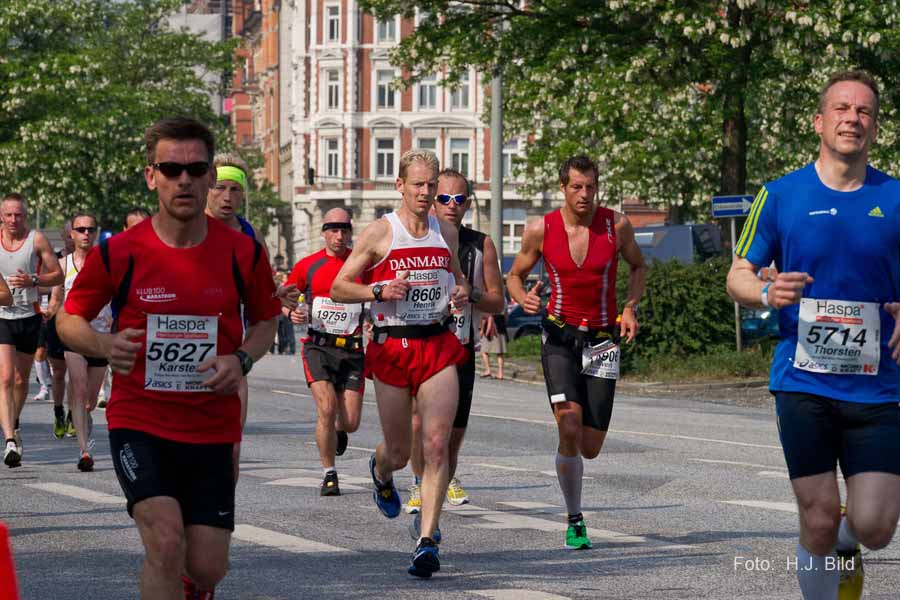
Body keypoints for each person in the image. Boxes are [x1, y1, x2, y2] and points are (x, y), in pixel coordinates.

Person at [57, 117, 281, 599]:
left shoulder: (242, 253)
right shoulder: (120, 252)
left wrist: (241, 360)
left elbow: (266, 322)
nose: (184, 180)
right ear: (151, 176)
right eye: (171, 169)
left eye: (196, 169)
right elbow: (68, 319)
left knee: (207, 567)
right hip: (140, 421)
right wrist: (104, 345)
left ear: (210, 177)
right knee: (165, 542)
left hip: (212, 426)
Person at [726, 70, 900, 600]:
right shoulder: (780, 195)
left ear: (875, 128)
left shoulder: (895, 198)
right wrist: (765, 292)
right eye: (842, 109)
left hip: (880, 387)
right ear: (819, 122)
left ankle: (850, 543)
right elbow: (737, 275)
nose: (853, 119)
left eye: (864, 111)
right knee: (819, 518)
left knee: (874, 528)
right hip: (804, 382)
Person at [331, 149, 470, 578]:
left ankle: (427, 540)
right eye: (418, 185)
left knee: (435, 444)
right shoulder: (380, 232)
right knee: (397, 450)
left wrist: (462, 291)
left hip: (436, 343)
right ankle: (381, 471)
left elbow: (458, 278)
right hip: (393, 346)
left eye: (432, 185)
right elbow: (339, 287)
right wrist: (378, 291)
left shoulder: (446, 231)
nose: (426, 192)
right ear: (400, 186)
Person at [507, 155, 646, 550]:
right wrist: (522, 298)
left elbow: (639, 267)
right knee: (569, 424)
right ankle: (574, 519)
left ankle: (574, 464)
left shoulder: (616, 225)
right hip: (559, 338)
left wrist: (630, 308)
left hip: (602, 341)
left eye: (590, 187)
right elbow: (514, 275)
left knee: (591, 447)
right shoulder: (542, 229)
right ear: (563, 188)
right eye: (576, 187)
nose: (584, 194)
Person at [406, 169, 506, 521]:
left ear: (467, 204)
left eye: (459, 199)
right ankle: (419, 482)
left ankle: (441, 478)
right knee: (418, 424)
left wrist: (472, 293)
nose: (452, 205)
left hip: (461, 350)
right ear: (433, 201)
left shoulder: (481, 245)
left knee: (452, 436)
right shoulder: (412, 239)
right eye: (445, 198)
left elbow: (498, 301)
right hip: (422, 347)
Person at [284, 208, 364, 496]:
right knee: (327, 408)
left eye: (344, 230)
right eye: (333, 230)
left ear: (350, 232)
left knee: (350, 423)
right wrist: (290, 312)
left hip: (353, 350)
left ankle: (338, 431)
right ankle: (329, 473)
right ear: (324, 232)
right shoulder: (308, 265)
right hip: (318, 347)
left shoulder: (361, 265)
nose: (339, 236)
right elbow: (284, 298)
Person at [1, 193, 62, 468]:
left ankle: (14, 421)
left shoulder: (36, 240)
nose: (14, 219)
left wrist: (33, 280)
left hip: (30, 315)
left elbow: (57, 274)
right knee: (4, 377)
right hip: (2, 315)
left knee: (20, 380)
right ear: (1, 216)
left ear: (25, 216)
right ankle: (9, 440)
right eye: (9, 214)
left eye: (18, 215)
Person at [55, 213, 113, 471]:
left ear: (96, 232)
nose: (86, 234)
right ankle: (84, 450)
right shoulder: (63, 264)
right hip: (73, 337)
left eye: (90, 229)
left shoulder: (108, 262)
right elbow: (54, 296)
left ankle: (80, 416)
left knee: (89, 401)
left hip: (100, 338)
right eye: (80, 229)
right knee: (78, 387)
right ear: (72, 234)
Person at [479, 312, 508, 380]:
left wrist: (482, 330)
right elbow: (506, 318)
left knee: (483, 350)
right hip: (501, 329)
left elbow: (485, 318)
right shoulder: (504, 305)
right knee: (500, 353)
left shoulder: (491, 306)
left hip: (491, 331)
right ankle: (500, 373)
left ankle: (488, 370)